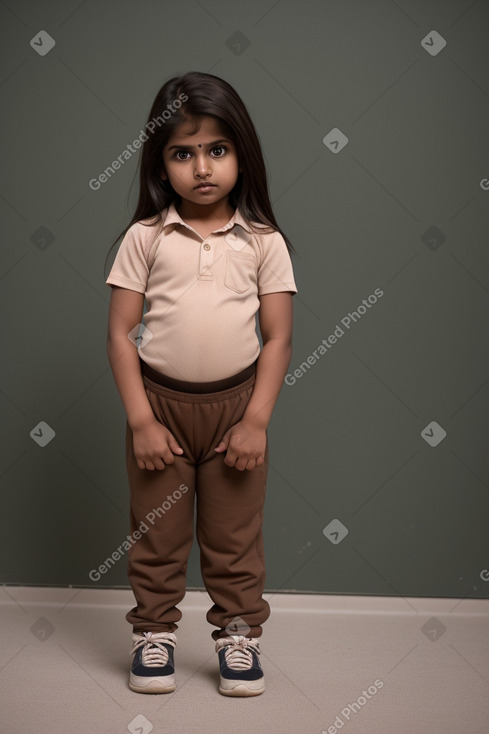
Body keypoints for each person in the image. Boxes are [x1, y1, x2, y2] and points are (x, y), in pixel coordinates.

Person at [104, 71, 298, 697]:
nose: (202, 167)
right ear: (162, 165)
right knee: (157, 534)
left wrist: (257, 420)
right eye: (182, 153)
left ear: (242, 152)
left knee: (233, 537)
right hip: (160, 406)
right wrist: (140, 419)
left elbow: (278, 339)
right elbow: (119, 334)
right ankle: (153, 633)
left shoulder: (264, 242)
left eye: (217, 149)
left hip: (235, 409)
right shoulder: (144, 238)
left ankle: (238, 638)